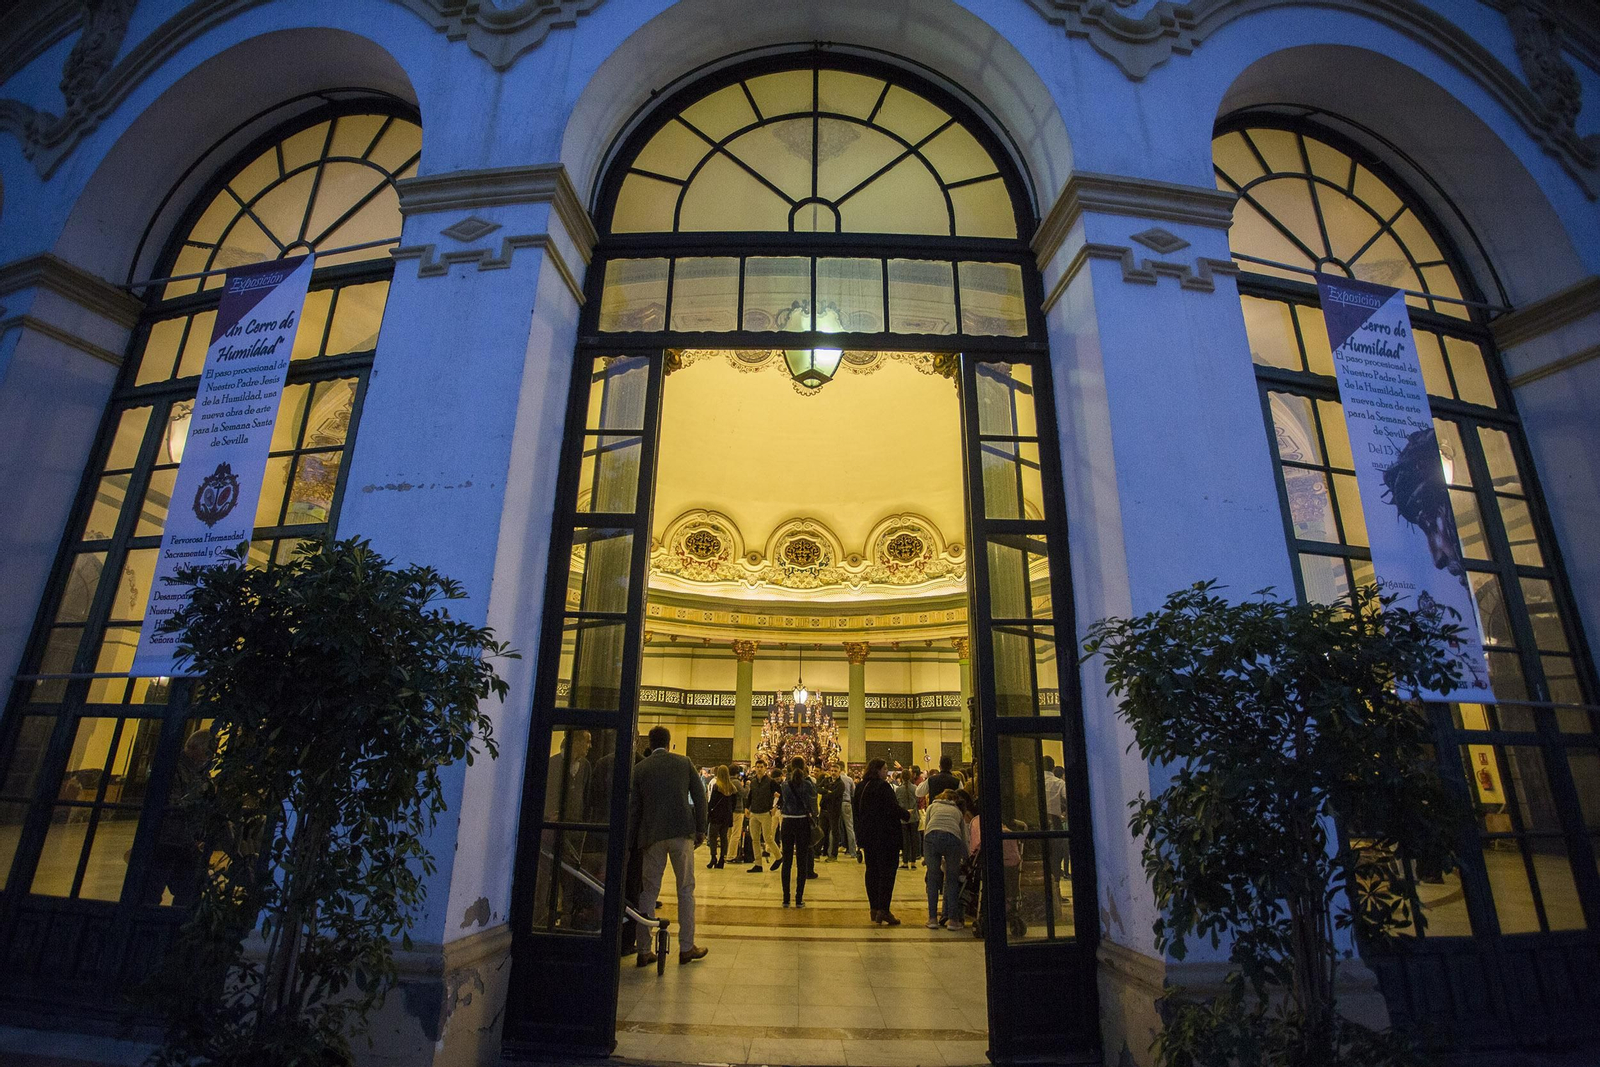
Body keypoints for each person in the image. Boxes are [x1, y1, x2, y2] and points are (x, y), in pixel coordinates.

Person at [629, 726, 709, 966]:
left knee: (649, 891)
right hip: (681, 833)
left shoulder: (640, 768)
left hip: (652, 836)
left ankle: (644, 949)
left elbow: (634, 808)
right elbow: (700, 795)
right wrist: (701, 829)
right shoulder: (684, 763)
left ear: (650, 744)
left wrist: (633, 839)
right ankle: (686, 947)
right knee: (685, 889)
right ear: (669, 741)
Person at [142, 728, 215, 907]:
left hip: (185, 840)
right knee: (151, 891)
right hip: (166, 839)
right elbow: (170, 802)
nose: (209, 757)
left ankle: (177, 925)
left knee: (190, 889)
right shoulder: (173, 768)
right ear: (193, 747)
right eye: (207, 751)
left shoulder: (199, 772)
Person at [854, 758, 910, 925]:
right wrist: (906, 814)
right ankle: (884, 910)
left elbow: (857, 810)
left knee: (871, 871)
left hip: (868, 836)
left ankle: (874, 908)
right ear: (877, 770)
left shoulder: (860, 787)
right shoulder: (882, 787)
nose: (887, 772)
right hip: (886, 837)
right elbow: (892, 807)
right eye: (885, 769)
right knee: (887, 874)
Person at [923, 787, 967, 930]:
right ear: (954, 800)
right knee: (951, 879)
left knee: (933, 878)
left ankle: (932, 919)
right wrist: (966, 857)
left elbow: (926, 827)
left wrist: (926, 855)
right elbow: (963, 836)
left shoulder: (932, 807)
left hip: (931, 837)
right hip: (952, 838)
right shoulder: (957, 812)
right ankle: (953, 921)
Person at [777, 757, 819, 907]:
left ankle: (785, 898)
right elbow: (813, 803)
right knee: (802, 861)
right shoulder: (808, 784)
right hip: (802, 822)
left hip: (787, 821)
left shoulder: (784, 784)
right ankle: (799, 898)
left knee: (787, 861)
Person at [746, 759, 779, 872]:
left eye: (761, 767)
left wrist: (775, 807)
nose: (759, 769)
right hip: (754, 812)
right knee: (754, 839)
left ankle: (779, 856)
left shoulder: (770, 782)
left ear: (765, 768)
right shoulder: (753, 781)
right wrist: (747, 807)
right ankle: (758, 864)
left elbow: (780, 795)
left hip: (765, 813)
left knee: (767, 838)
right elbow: (750, 796)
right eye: (757, 767)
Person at [706, 765, 736, 869]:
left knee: (713, 837)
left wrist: (708, 813)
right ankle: (722, 859)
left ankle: (713, 857)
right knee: (724, 838)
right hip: (727, 816)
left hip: (716, 816)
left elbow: (712, 802)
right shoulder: (732, 787)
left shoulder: (716, 786)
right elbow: (734, 804)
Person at [894, 768, 919, 869]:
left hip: (903, 817)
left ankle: (905, 861)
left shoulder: (899, 789)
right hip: (914, 816)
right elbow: (917, 800)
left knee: (905, 840)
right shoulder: (915, 788)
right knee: (914, 839)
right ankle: (913, 862)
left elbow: (897, 802)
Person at [836, 761, 859, 861]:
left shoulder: (836, 779)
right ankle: (853, 852)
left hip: (837, 803)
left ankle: (832, 852)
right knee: (849, 827)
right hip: (847, 803)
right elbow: (854, 793)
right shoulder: (849, 779)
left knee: (835, 827)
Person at [819, 765, 843, 861]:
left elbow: (834, 795)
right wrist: (826, 791)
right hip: (824, 810)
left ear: (839, 772)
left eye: (835, 771)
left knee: (834, 832)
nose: (833, 772)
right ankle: (819, 852)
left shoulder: (841, 784)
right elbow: (818, 788)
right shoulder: (826, 780)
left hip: (834, 811)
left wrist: (826, 793)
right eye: (832, 770)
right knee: (822, 831)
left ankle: (833, 855)